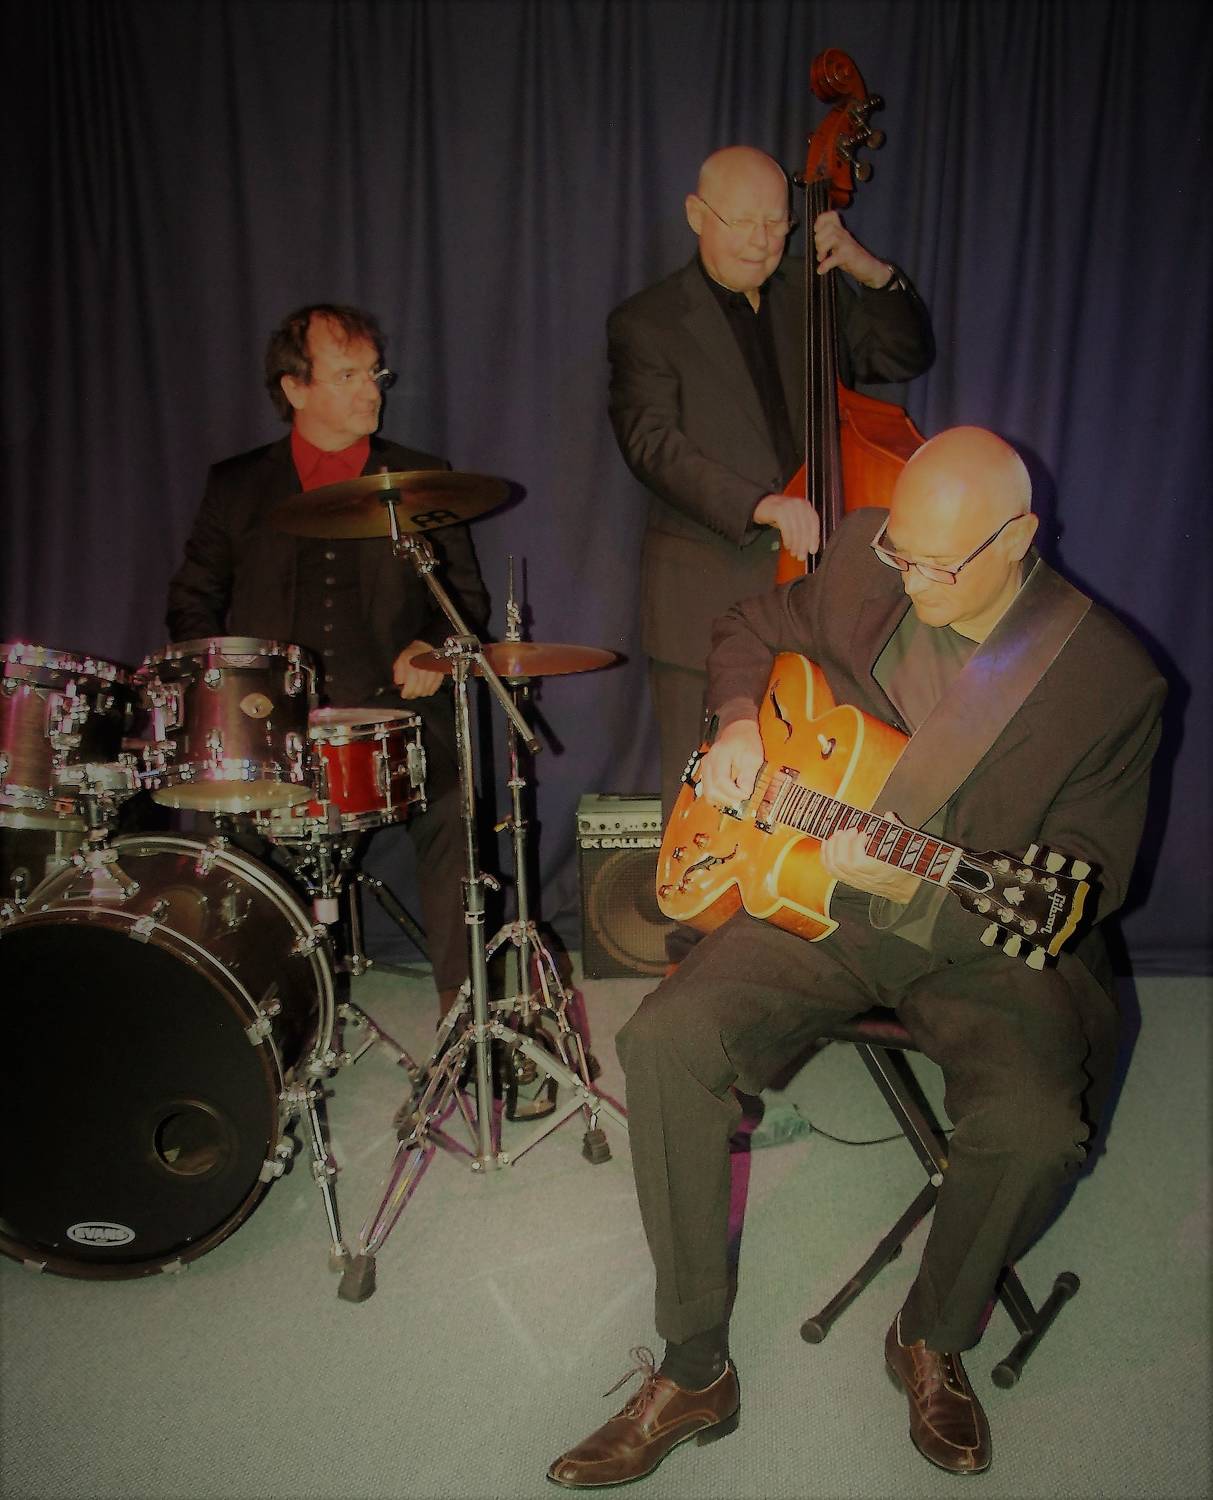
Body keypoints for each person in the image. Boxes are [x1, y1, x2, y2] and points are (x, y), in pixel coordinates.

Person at [547, 427, 1165, 1483]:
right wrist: (736, 723)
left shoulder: (1107, 680)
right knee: (664, 1044)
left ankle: (930, 1333)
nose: (909, 579)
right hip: (816, 901)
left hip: (975, 938)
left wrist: (913, 881)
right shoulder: (865, 563)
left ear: (1017, 538)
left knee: (1035, 1131)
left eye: (937, 565)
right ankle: (694, 1368)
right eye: (899, 555)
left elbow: (1082, 882)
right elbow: (748, 623)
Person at [607, 144, 934, 961]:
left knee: (823, 792)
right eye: (743, 222)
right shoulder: (647, 321)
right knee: (708, 800)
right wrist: (759, 504)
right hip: (705, 587)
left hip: (820, 599)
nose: (762, 241)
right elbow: (651, 444)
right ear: (696, 215)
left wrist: (865, 270)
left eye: (777, 224)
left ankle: (813, 965)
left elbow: (902, 356)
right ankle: (702, 977)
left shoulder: (811, 297)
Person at [166, 303, 489, 1015]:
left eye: (374, 373)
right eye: (347, 375)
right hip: (272, 719)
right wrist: (227, 686)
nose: (371, 390)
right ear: (295, 388)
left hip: (393, 711)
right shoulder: (237, 486)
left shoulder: (420, 476)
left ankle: (465, 1009)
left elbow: (463, 601)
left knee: (455, 805)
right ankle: (248, 1012)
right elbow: (192, 601)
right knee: (223, 827)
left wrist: (432, 647)